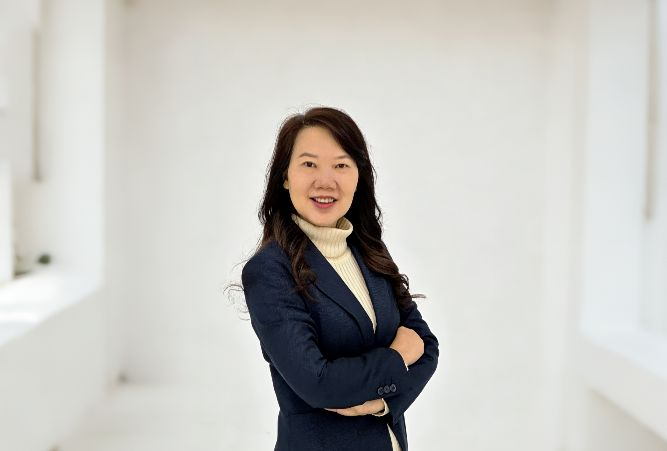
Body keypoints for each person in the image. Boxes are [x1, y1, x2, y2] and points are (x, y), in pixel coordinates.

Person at [240, 106, 439, 451]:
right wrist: (397, 358)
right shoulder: (271, 270)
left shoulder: (369, 251)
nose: (325, 181)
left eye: (341, 165)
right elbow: (318, 383)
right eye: (309, 164)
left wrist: (380, 402)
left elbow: (426, 346)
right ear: (285, 176)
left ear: (358, 176)